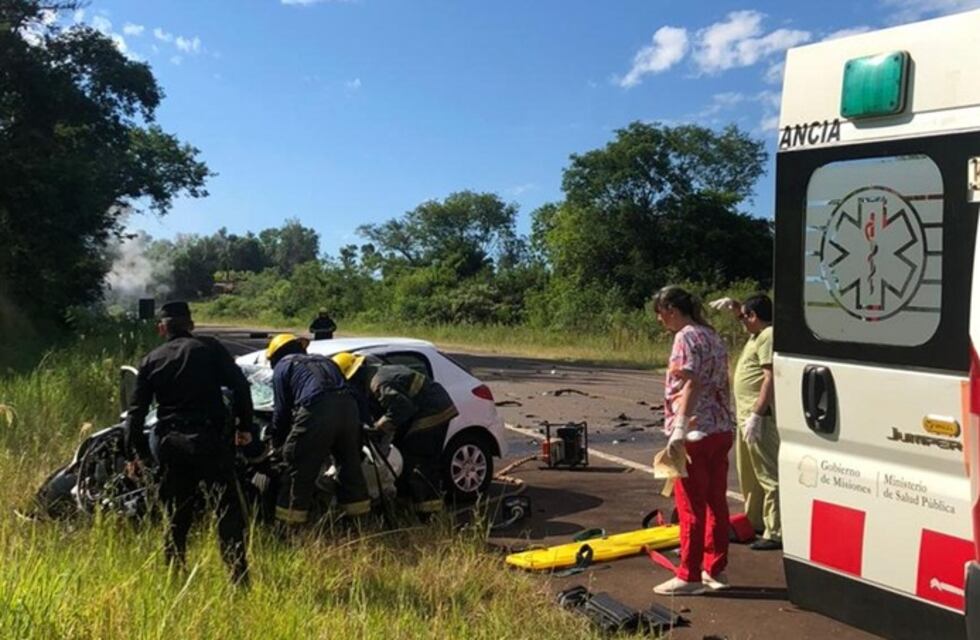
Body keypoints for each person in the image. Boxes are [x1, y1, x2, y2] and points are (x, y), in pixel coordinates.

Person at [125, 301, 252, 585]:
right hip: (210, 442)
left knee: (176, 514)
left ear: (161, 329)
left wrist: (137, 454)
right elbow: (240, 386)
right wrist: (245, 426)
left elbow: (136, 414)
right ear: (191, 325)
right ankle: (238, 579)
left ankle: (173, 575)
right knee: (227, 512)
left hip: (172, 445)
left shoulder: (150, 360)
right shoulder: (210, 348)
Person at [651, 286, 735, 595]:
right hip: (720, 428)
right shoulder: (711, 335)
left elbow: (690, 384)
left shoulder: (684, 337)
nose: (662, 322)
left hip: (695, 432)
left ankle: (689, 575)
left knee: (690, 506)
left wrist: (679, 428)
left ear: (671, 309)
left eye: (661, 315)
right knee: (716, 501)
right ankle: (716, 568)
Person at [332, 352, 458, 516]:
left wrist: (379, 427)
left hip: (432, 412)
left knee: (419, 461)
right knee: (410, 455)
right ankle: (410, 505)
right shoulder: (378, 374)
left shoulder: (378, 383)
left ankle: (429, 513)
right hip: (428, 408)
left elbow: (402, 408)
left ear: (355, 376)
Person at [266, 334, 370, 528]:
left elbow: (281, 412)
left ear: (275, 357)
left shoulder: (283, 366)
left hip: (317, 409)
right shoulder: (325, 361)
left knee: (298, 468)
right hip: (349, 410)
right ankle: (358, 525)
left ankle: (289, 529)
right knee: (350, 468)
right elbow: (353, 392)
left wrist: (278, 444)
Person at [711, 293, 781, 551]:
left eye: (744, 318)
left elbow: (769, 377)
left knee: (768, 473)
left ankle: (776, 530)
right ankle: (755, 521)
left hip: (758, 417)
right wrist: (736, 306)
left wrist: (758, 414)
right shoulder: (757, 334)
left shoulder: (768, 336)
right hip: (744, 418)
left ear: (754, 316)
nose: (741, 322)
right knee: (749, 474)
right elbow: (748, 314)